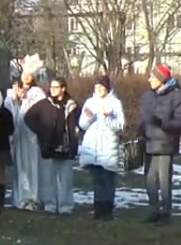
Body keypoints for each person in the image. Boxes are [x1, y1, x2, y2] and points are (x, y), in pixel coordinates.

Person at [139, 64, 181, 225]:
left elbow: (179, 122)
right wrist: (140, 130)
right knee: (149, 179)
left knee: (164, 180)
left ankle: (165, 213)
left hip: (165, 143)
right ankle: (154, 209)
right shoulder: (148, 96)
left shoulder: (176, 96)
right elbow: (143, 117)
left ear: (161, 79)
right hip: (149, 141)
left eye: (152, 77)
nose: (149, 80)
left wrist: (162, 123)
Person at [25, 77, 80, 216]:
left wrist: (76, 133)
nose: (52, 90)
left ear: (63, 88)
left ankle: (65, 207)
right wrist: (40, 131)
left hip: (66, 147)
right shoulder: (44, 104)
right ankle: (50, 205)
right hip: (49, 146)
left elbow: (80, 121)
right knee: (48, 178)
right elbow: (28, 117)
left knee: (65, 179)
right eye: (51, 87)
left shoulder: (72, 105)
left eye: (56, 87)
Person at [78, 76, 125, 221]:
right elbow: (82, 125)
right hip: (93, 147)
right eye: (97, 87)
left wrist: (107, 117)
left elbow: (120, 127)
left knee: (107, 178)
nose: (98, 89)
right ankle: (97, 209)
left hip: (108, 147)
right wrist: (89, 118)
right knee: (96, 178)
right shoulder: (90, 102)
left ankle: (108, 210)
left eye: (102, 87)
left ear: (107, 88)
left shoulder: (115, 103)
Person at [7, 72, 47, 210]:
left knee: (32, 164)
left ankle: (33, 197)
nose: (26, 77)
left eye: (29, 75)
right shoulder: (14, 89)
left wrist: (25, 98)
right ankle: (21, 196)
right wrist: (15, 99)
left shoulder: (37, 92)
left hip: (32, 134)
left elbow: (41, 109)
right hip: (19, 133)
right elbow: (10, 109)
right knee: (20, 164)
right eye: (24, 74)